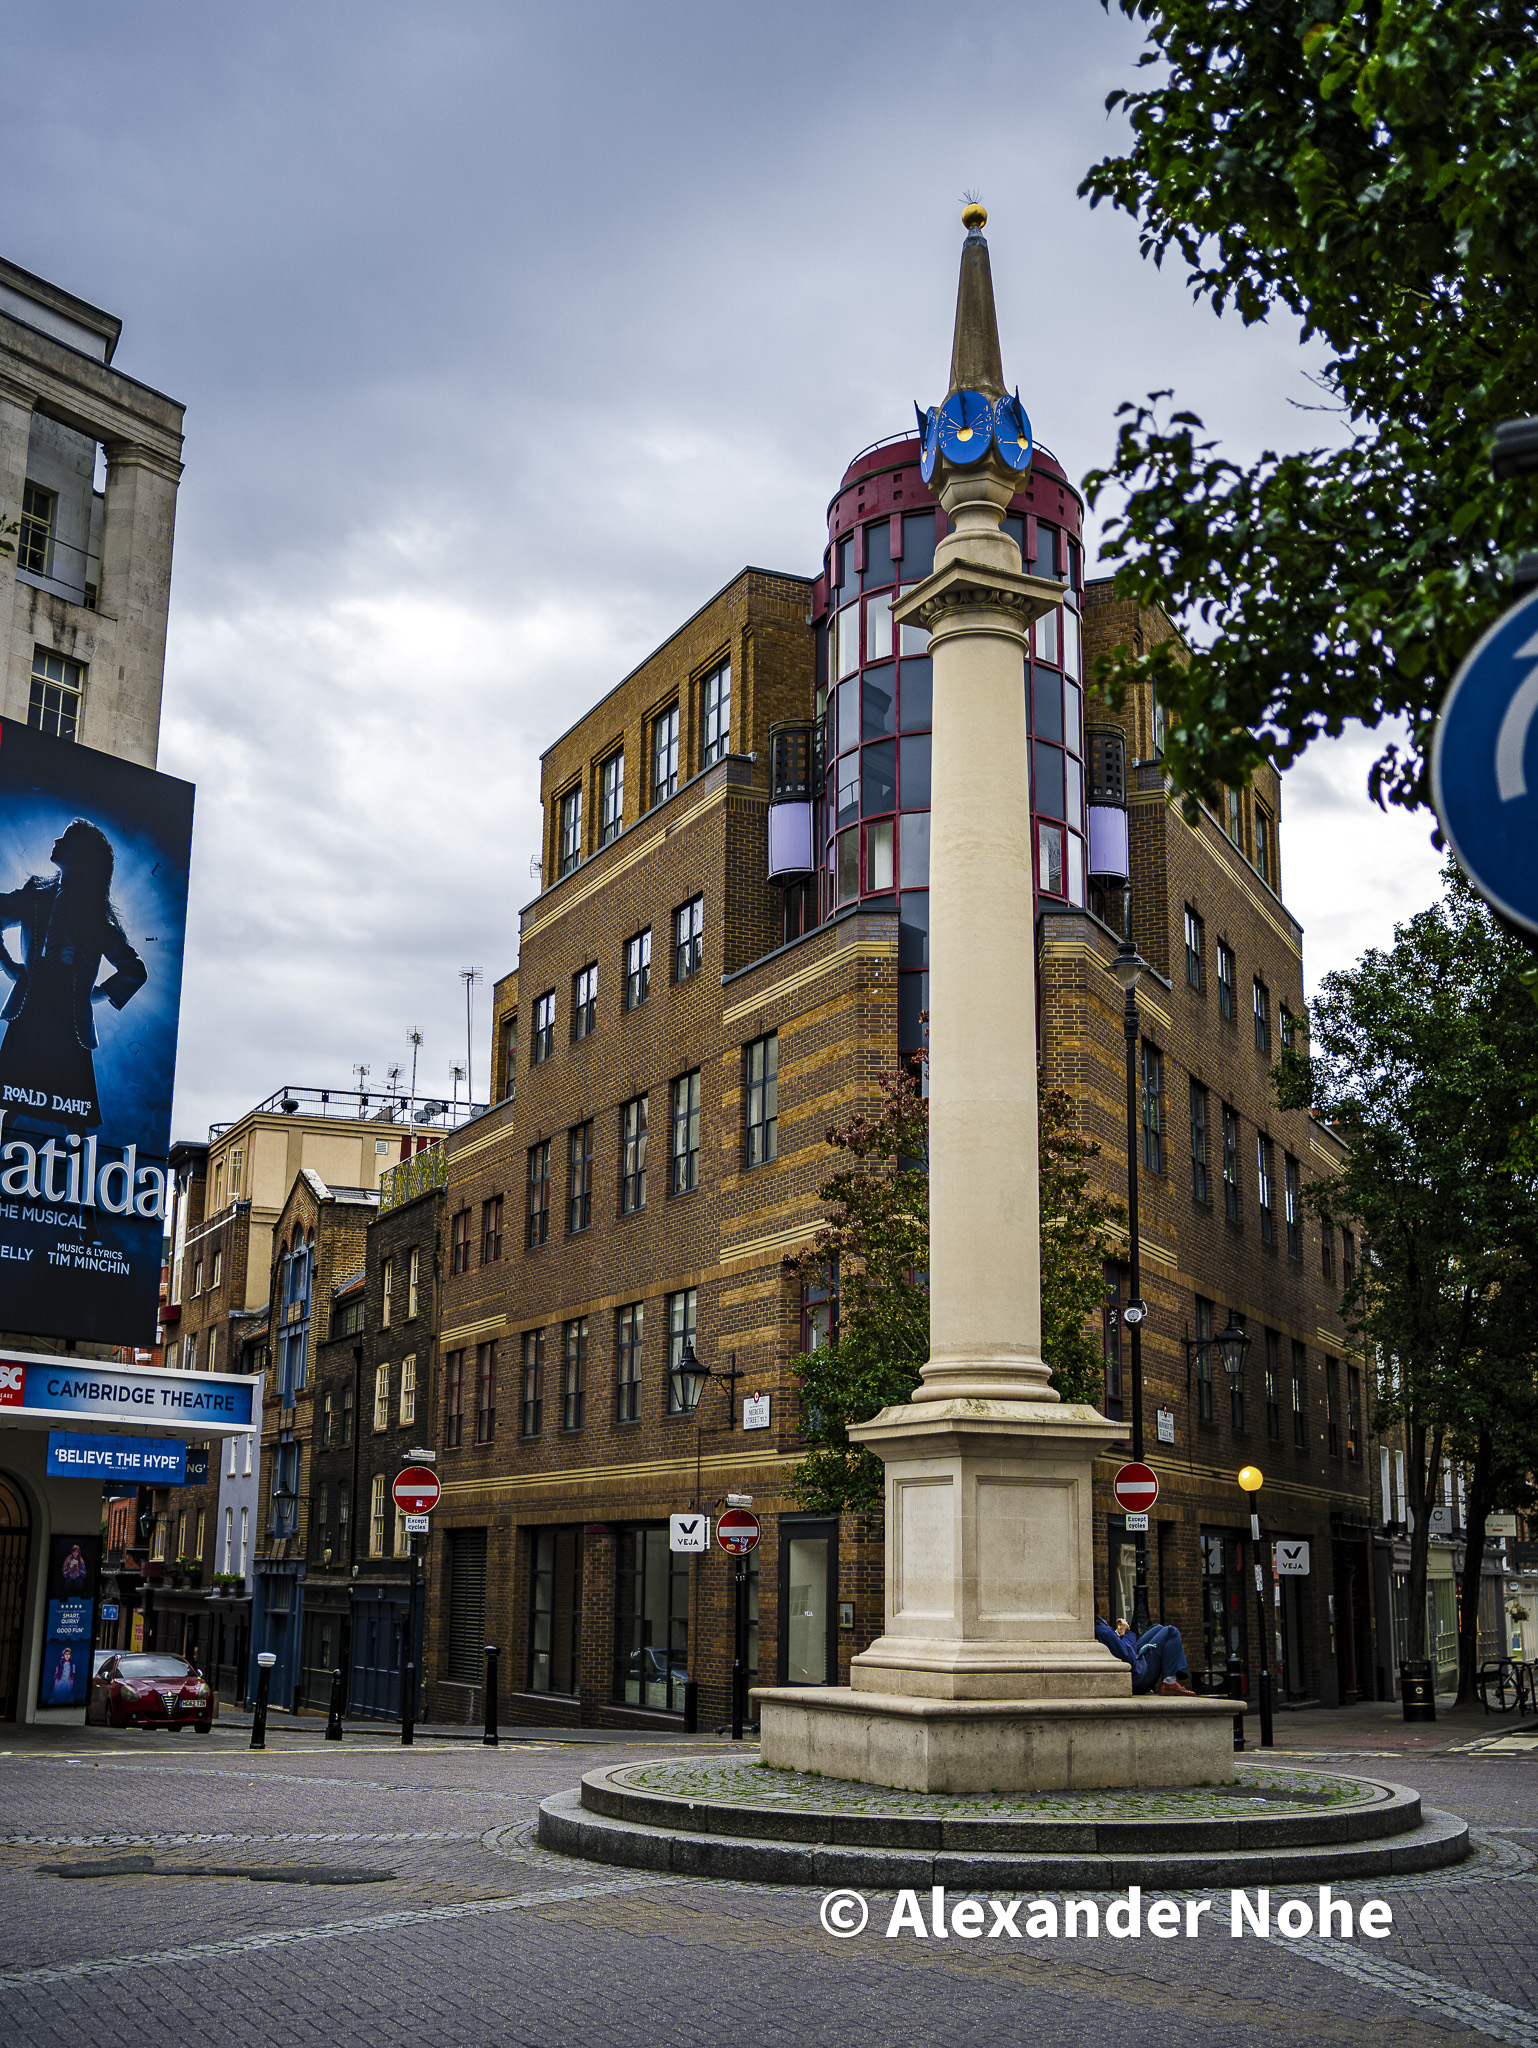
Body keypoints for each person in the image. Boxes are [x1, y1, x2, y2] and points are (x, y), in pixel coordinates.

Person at [0, 818, 146, 1135]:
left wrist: (95, 994)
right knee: (13, 1098)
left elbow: (134, 970)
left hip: (69, 1015)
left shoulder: (97, 920)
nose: (57, 841)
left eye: (65, 839)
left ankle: (77, 1161)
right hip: (31, 1004)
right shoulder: (36, 894)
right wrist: (9, 966)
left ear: (81, 856)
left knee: (71, 1107)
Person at [1095, 1613, 1196, 1696]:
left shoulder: (1098, 1628)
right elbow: (1129, 1659)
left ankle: (1175, 1674)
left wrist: (1119, 1634)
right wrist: (1125, 1633)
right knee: (1171, 1631)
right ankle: (1169, 1682)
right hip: (1138, 1679)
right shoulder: (1103, 1631)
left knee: (1157, 1628)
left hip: (1135, 1672)